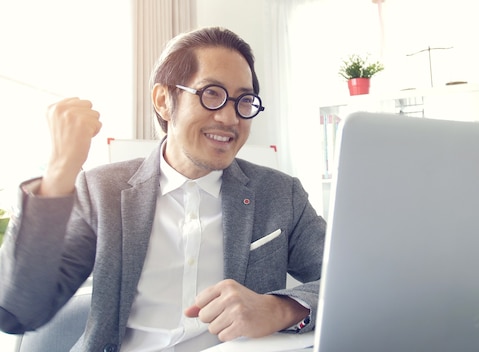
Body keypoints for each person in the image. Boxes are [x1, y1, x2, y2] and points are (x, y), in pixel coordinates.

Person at [0, 27, 326, 351]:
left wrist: (281, 308)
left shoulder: (281, 194)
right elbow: (19, 312)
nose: (230, 118)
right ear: (163, 100)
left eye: (244, 100)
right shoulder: (103, 191)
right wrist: (59, 173)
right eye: (211, 93)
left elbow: (352, 284)